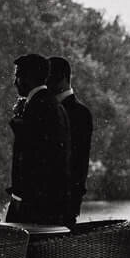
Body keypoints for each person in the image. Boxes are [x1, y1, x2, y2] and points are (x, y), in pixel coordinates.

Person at [6, 52, 72, 225]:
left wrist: (19, 199)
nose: (14, 82)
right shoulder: (54, 104)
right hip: (49, 199)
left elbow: (31, 155)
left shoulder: (38, 106)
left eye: (17, 75)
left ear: (28, 77)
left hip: (34, 203)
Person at [47, 56, 93, 225]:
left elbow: (79, 162)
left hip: (64, 200)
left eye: (48, 77)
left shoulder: (80, 113)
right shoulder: (48, 109)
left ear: (63, 78)